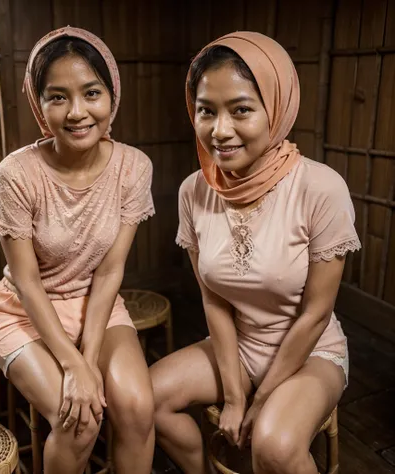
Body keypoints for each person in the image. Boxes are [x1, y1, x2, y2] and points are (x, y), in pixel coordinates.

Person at [151, 31, 361, 474]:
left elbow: (315, 315)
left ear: (277, 109)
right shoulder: (194, 191)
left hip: (311, 353)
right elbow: (214, 298)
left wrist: (257, 401)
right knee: (145, 400)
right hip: (239, 346)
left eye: (241, 109)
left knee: (274, 446)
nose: (219, 130)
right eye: (206, 111)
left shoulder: (320, 189)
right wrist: (232, 393)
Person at [0, 26, 155, 474]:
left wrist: (90, 356)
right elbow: (26, 282)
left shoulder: (133, 168)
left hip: (96, 305)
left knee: (137, 409)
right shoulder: (17, 174)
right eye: (57, 97)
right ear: (39, 106)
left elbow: (109, 271)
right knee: (78, 423)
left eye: (91, 93)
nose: (78, 112)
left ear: (112, 95)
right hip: (24, 311)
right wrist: (72, 363)